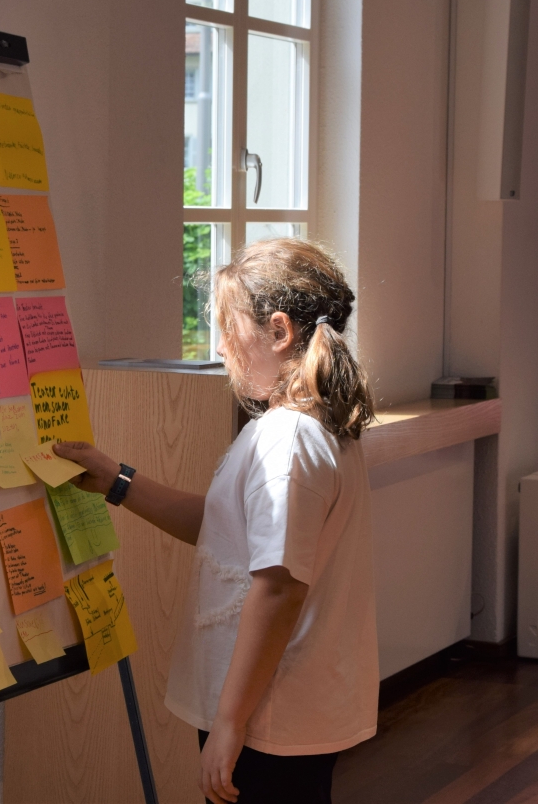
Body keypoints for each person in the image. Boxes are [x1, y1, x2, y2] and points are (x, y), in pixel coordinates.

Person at [55, 238, 379, 804]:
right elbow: (229, 530)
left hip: (267, 716)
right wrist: (118, 481)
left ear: (279, 332)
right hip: (276, 707)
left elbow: (278, 588)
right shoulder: (300, 427)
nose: (222, 349)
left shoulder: (288, 443)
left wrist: (230, 723)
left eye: (229, 330)